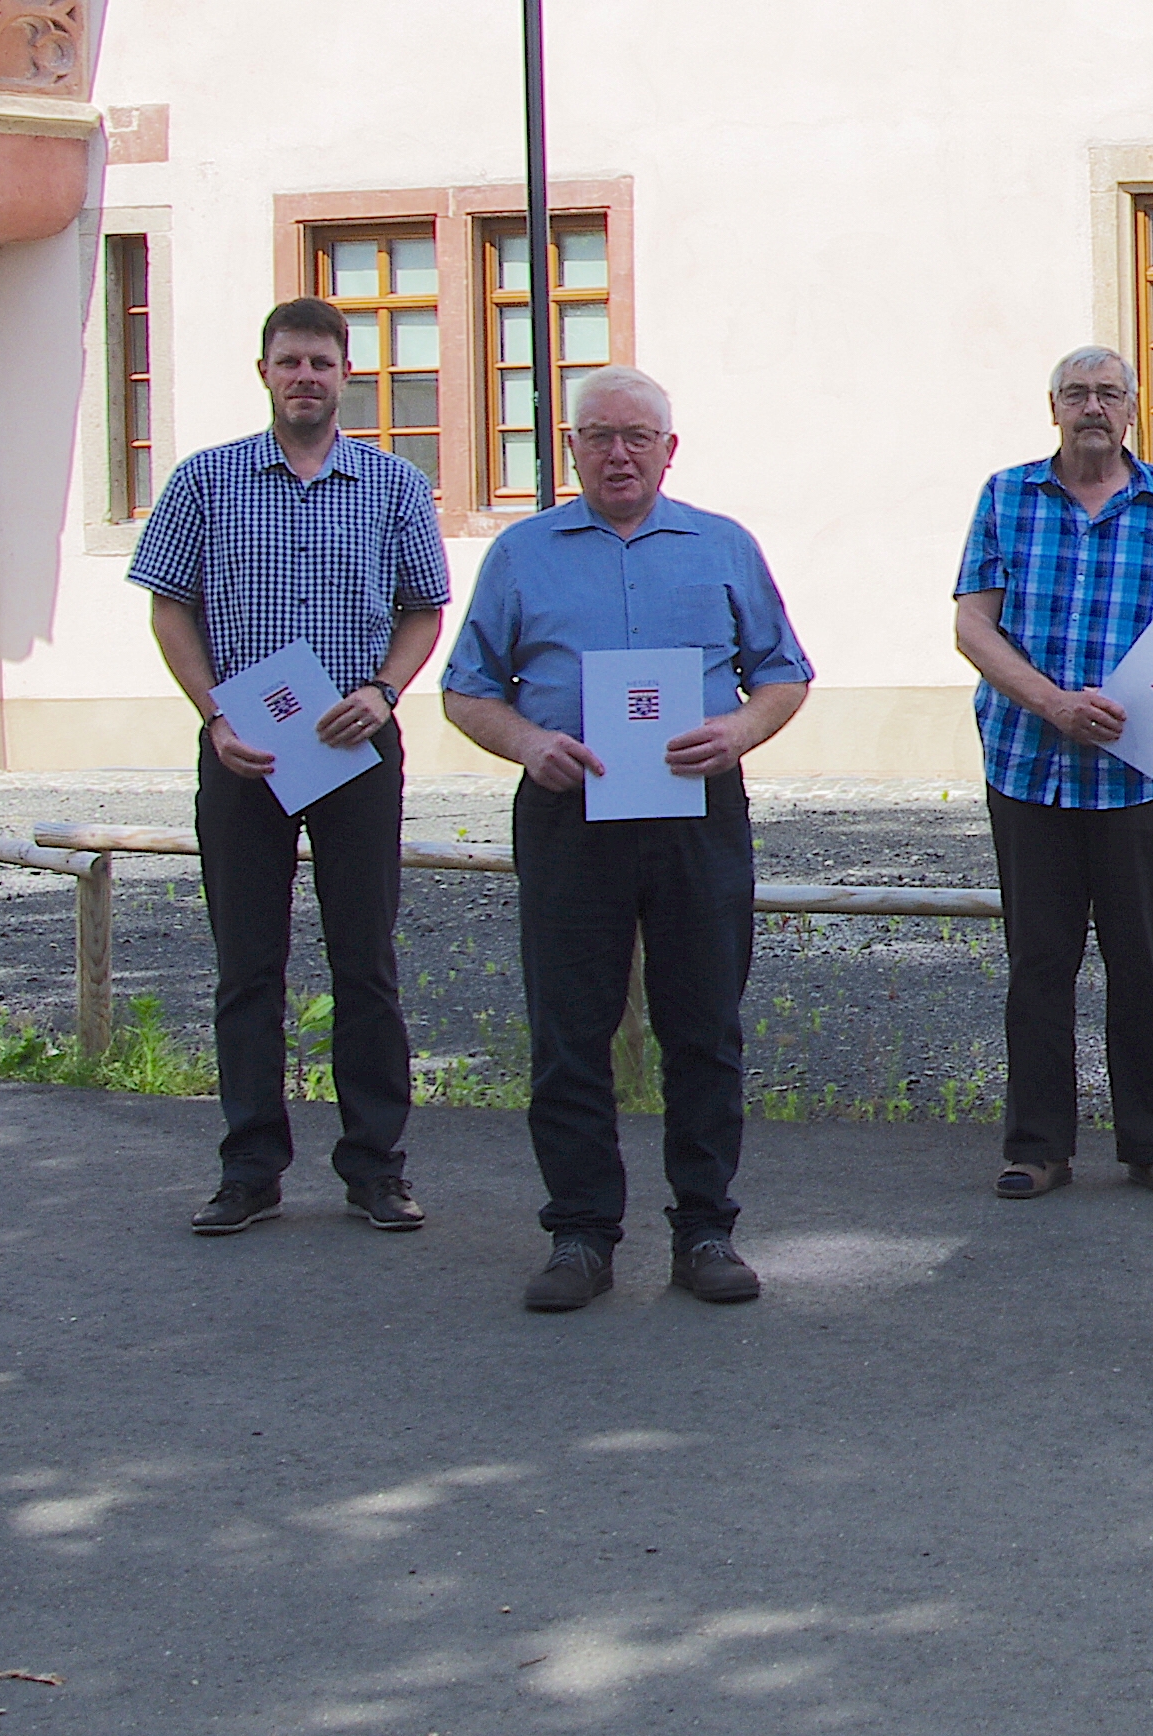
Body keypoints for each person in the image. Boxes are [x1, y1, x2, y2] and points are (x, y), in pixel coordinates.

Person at [439, 367, 815, 1312]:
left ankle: (705, 1230)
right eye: (598, 435)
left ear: (668, 449)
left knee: (704, 1025)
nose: (617, 452)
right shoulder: (522, 555)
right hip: (571, 812)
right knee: (570, 1028)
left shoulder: (724, 547)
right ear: (569, 448)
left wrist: (736, 732)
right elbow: (466, 689)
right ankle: (578, 1234)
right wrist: (529, 745)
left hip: (697, 813)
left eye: (636, 437)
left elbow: (784, 673)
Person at [129, 298, 450, 1237]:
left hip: (354, 744)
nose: (305, 376)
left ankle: (375, 1167)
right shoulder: (206, 481)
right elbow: (169, 607)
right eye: (289, 362)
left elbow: (423, 609)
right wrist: (214, 712)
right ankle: (250, 1167)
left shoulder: (393, 486)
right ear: (262, 371)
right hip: (246, 749)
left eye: (321, 362)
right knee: (246, 966)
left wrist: (386, 692)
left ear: (345, 375)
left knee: (366, 961)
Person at [952, 347, 1153, 1202]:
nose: (1091, 407)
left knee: (1142, 961)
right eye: (1076, 394)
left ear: (1131, 408)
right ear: (1052, 407)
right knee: (1038, 964)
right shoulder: (1006, 497)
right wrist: (1052, 704)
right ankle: (1036, 1145)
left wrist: (1139, 708)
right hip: (1028, 768)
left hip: (1137, 780)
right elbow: (974, 626)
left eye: (1107, 393)